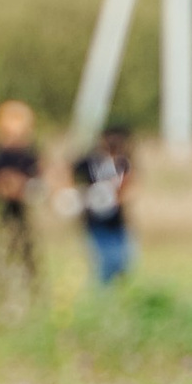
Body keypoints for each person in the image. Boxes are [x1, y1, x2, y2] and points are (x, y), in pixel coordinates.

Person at [70, 123, 137, 289]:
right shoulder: (89, 160)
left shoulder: (124, 162)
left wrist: (116, 198)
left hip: (117, 220)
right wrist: (81, 197)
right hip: (94, 221)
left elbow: (131, 186)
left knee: (124, 262)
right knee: (103, 264)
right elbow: (67, 175)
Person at [0, 100, 42, 287]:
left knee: (26, 256)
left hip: (21, 214)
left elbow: (36, 182)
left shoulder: (29, 153)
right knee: (4, 255)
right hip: (2, 215)